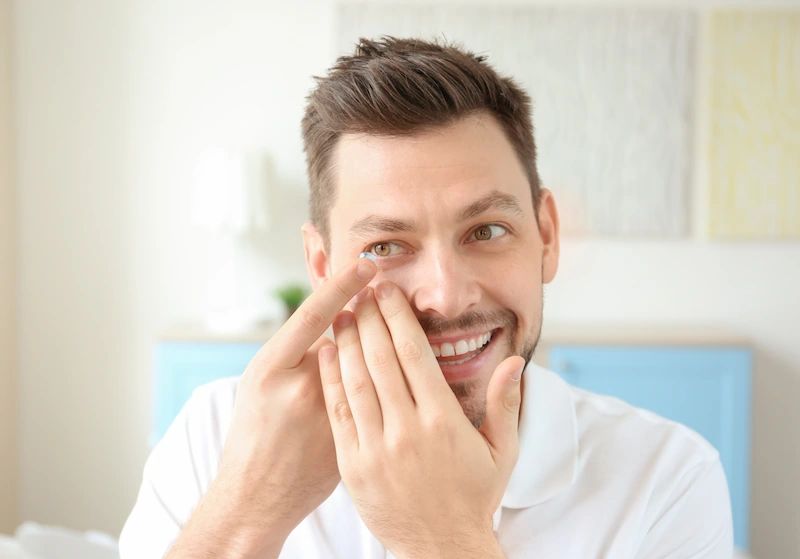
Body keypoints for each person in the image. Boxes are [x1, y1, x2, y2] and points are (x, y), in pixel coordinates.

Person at [119, 37, 733, 559]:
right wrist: (249, 509)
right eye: (387, 246)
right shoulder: (215, 436)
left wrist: (443, 537)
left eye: (487, 231)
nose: (445, 295)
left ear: (545, 237)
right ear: (321, 264)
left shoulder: (667, 478)